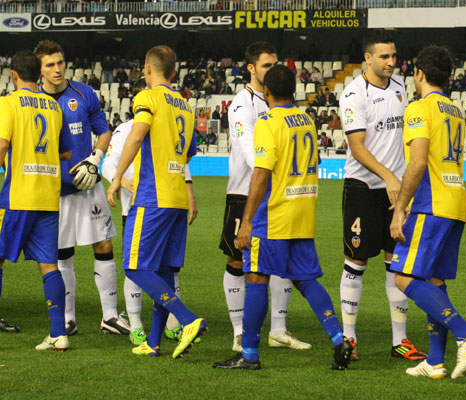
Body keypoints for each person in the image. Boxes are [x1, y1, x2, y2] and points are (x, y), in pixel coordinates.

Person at [212, 65, 353, 371]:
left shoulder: (268, 121)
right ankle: (340, 338)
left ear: (267, 92)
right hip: (302, 211)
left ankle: (248, 354)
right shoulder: (306, 120)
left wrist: (247, 220)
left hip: (274, 214)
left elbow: (261, 173)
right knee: (305, 279)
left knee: (256, 278)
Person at [389, 45, 466, 381]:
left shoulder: (419, 108)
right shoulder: (455, 109)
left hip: (431, 205)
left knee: (403, 277)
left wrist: (400, 208)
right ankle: (435, 361)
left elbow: (417, 161)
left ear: (419, 74)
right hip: (456, 201)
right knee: (433, 281)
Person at [106, 45, 206, 358]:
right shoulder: (186, 106)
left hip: (153, 195)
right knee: (162, 272)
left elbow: (137, 135)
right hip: (177, 195)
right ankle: (154, 341)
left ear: (148, 69)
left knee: (134, 267)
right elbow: (189, 151)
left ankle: (188, 320)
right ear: (174, 72)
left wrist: (117, 178)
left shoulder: (147, 97)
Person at [338, 29, 425, 361]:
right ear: (368, 58)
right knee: (357, 262)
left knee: (396, 263)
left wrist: (400, 181)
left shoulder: (401, 87)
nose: (392, 62)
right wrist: (389, 176)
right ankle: (349, 338)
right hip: (363, 188)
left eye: (394, 55)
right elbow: (357, 147)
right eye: (385, 56)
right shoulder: (353, 94)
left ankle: (400, 340)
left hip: (396, 193)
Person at [219, 42, 310, 352]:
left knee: (278, 260)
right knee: (237, 260)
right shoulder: (242, 105)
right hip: (245, 191)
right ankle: (239, 331)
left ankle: (279, 329)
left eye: (275, 65)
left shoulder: (280, 103)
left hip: (278, 194)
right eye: (267, 66)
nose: (273, 70)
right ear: (251, 69)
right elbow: (250, 153)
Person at [34, 40, 128, 336]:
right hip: (54, 191)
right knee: (62, 254)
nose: (57, 69)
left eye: (60, 62)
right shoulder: (33, 102)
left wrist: (95, 159)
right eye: (50, 65)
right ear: (40, 70)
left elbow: (103, 131)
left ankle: (110, 316)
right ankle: (68, 318)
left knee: (103, 245)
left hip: (88, 185)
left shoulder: (84, 93)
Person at [0, 50, 73, 349]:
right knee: (49, 265)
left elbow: (2, 144)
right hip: (47, 196)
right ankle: (59, 333)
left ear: (14, 75)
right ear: (38, 73)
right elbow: (66, 152)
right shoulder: (54, 107)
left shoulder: (8, 103)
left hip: (18, 196)